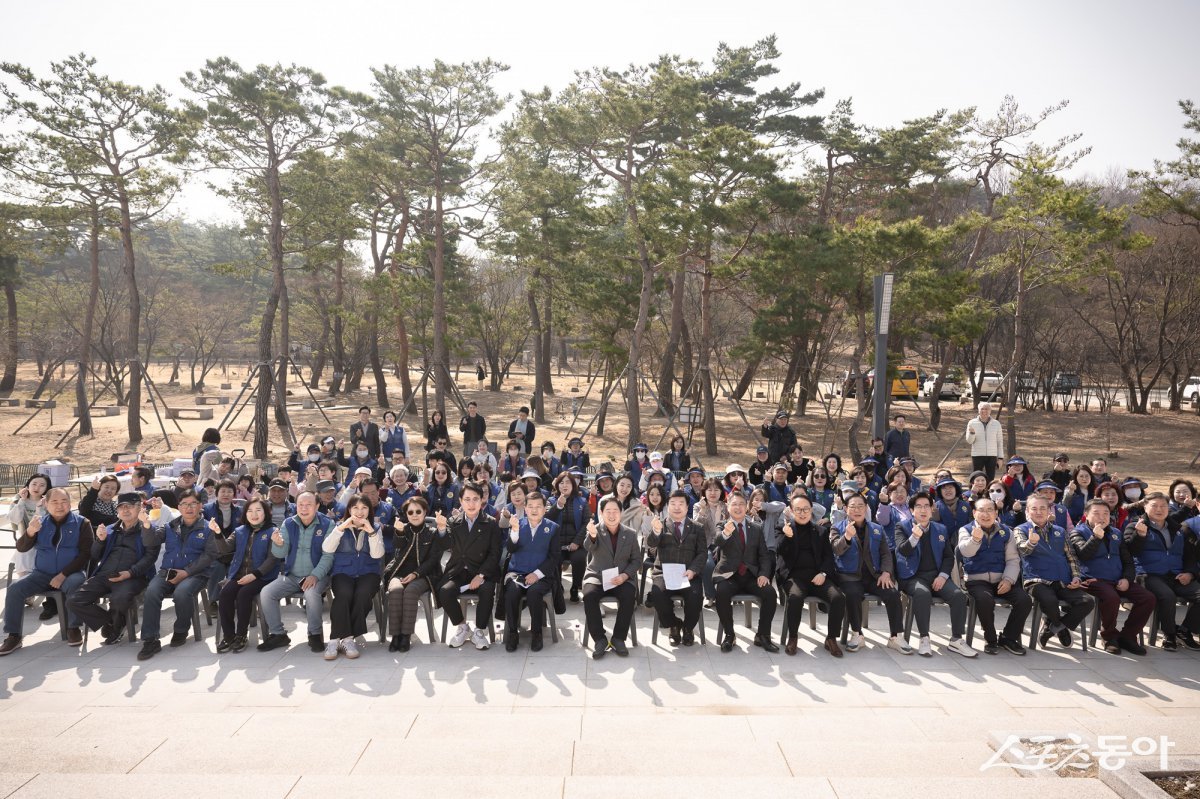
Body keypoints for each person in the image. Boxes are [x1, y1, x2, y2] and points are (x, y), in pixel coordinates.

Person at [0, 488, 93, 654]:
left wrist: (63, 574)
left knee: (75, 583)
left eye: (64, 501)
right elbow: (21, 548)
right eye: (54, 502)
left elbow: (86, 554)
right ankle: (13, 636)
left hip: (71, 572)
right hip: (41, 573)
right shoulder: (40, 522)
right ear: (46, 504)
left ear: (70, 503)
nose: (60, 505)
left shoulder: (82, 523)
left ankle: (73, 628)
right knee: (15, 589)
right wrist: (30, 532)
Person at [68, 493, 160, 646]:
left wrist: (130, 573)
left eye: (129, 507)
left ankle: (116, 628)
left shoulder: (148, 528)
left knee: (119, 597)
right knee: (74, 601)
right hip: (105, 574)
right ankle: (111, 621)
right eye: (121, 507)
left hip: (133, 576)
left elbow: (151, 558)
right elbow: (95, 555)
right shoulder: (110, 529)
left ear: (140, 508)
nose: (125, 510)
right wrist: (100, 540)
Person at [1069, 498, 1155, 655]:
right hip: (1092, 579)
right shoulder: (1078, 532)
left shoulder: (1116, 533)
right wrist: (1095, 538)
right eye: (1096, 513)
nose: (1102, 517)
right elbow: (1083, 555)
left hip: (1117, 579)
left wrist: (1127, 579)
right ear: (1086, 515)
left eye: (1106, 513)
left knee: (1148, 598)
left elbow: (1128, 561)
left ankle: (1127, 636)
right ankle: (1109, 637)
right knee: (1112, 597)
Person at [136, 489, 214, 661]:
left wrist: (187, 572)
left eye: (193, 503)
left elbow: (209, 556)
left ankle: (181, 629)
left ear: (200, 506)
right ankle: (150, 639)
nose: (189, 508)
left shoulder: (208, 528)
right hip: (168, 571)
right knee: (151, 592)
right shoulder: (171, 526)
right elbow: (151, 541)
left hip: (196, 574)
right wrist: (147, 525)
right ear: (179, 507)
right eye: (185, 504)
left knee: (181, 592)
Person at [895, 493, 975, 657]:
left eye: (926, 506)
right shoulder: (902, 526)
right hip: (912, 576)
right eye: (918, 506)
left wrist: (943, 576)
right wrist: (914, 537)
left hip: (937, 576)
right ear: (911, 510)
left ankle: (956, 640)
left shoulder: (940, 528)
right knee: (922, 594)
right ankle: (924, 637)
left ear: (932, 510)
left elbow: (948, 556)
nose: (923, 510)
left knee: (959, 596)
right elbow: (903, 550)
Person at [257, 492, 336, 654]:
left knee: (311, 594)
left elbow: (329, 556)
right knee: (266, 592)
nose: (304, 508)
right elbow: (280, 554)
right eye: (300, 505)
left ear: (317, 506)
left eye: (308, 505)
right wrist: (278, 544)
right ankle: (278, 634)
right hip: (292, 575)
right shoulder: (289, 523)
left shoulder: (328, 524)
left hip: (317, 575)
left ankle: (314, 634)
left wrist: (314, 575)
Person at [831, 494, 910, 654]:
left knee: (892, 594)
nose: (857, 509)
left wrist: (886, 572)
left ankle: (896, 636)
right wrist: (847, 536)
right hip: (850, 576)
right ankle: (857, 634)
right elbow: (836, 550)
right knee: (852, 595)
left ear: (866, 508)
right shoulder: (836, 527)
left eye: (861, 506)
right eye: (852, 506)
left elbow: (886, 554)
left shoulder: (876, 528)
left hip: (875, 576)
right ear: (846, 509)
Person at [1014, 494, 1095, 650]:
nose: (1039, 512)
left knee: (1087, 601)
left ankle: (1053, 627)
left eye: (1042, 508)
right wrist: (1031, 542)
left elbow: (1071, 556)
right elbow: (1022, 550)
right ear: (1027, 512)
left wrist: (1076, 576)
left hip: (1063, 580)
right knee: (1049, 600)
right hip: (1036, 580)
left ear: (1049, 511)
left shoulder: (1060, 530)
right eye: (1034, 509)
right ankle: (1059, 627)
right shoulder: (1021, 529)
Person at [957, 497, 1032, 655]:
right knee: (985, 600)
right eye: (981, 510)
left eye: (990, 510)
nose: (986, 514)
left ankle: (1008, 638)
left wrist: (1008, 579)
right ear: (974, 513)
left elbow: (1013, 559)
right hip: (976, 580)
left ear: (996, 512)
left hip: (1002, 578)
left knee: (1025, 600)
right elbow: (965, 551)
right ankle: (990, 639)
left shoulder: (1006, 532)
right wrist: (975, 539)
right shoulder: (966, 529)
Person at [1128, 492, 1200, 651]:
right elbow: (1129, 551)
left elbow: (1189, 556)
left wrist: (1190, 573)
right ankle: (1169, 635)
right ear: (1145, 507)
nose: (1159, 509)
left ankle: (1185, 630)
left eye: (1163, 506)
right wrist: (1140, 536)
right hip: (1148, 574)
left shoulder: (1178, 528)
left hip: (1176, 575)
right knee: (1167, 596)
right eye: (1154, 506)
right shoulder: (1136, 525)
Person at [776, 494, 845, 657]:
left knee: (838, 598)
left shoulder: (820, 531)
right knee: (795, 597)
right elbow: (780, 552)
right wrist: (788, 537)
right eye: (798, 509)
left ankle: (831, 638)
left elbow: (829, 557)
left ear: (811, 510)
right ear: (792, 511)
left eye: (805, 509)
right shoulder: (784, 528)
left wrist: (823, 573)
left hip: (818, 577)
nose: (802, 513)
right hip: (794, 578)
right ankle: (793, 637)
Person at [438, 482, 502, 650]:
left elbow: (495, 554)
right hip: (459, 570)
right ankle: (462, 627)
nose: (471, 503)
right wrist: (442, 529)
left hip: (482, 571)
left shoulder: (491, 523)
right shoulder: (453, 521)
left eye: (475, 499)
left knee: (487, 590)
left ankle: (480, 631)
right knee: (444, 591)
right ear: (460, 501)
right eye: (467, 499)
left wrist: (480, 576)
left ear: (482, 500)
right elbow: (446, 545)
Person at [712, 492, 778, 653]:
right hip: (729, 574)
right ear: (728, 507)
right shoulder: (722, 525)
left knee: (770, 593)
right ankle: (730, 635)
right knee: (721, 592)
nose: (738, 507)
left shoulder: (755, 528)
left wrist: (763, 574)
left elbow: (764, 555)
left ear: (746, 506)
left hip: (751, 575)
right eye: (734, 504)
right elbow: (717, 542)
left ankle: (763, 635)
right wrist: (726, 533)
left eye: (741, 504)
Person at [322, 495, 385, 660]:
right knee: (344, 595)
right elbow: (327, 548)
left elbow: (377, 554)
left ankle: (345, 638)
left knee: (363, 595)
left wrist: (371, 532)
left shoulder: (376, 528)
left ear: (369, 511)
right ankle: (338, 639)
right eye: (355, 508)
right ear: (349, 510)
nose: (359, 512)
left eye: (364, 508)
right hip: (343, 572)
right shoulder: (338, 527)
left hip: (368, 572)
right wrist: (341, 528)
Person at [216, 497, 279, 654]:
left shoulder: (273, 531)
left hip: (263, 576)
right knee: (225, 594)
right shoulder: (240, 531)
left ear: (266, 513)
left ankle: (241, 635)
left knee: (244, 594)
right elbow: (224, 549)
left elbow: (272, 559)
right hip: (239, 575)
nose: (254, 514)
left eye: (258, 510)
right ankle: (229, 636)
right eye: (250, 511)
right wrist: (218, 534)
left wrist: (255, 575)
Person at [582, 493, 640, 658]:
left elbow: (636, 561)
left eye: (615, 511)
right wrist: (592, 535)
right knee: (589, 595)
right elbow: (588, 546)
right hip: (597, 576)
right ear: (601, 513)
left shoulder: (629, 533)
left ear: (621, 513)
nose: (612, 514)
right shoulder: (595, 530)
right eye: (608, 511)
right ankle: (599, 639)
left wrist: (624, 576)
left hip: (621, 577)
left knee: (629, 595)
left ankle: (618, 638)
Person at [645, 490, 705, 647]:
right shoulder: (661, 525)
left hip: (688, 574)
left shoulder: (697, 528)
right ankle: (674, 625)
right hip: (664, 573)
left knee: (695, 596)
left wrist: (693, 570)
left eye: (681, 504)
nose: (677, 507)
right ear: (667, 506)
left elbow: (702, 553)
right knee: (657, 595)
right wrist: (656, 531)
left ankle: (688, 628)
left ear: (687, 507)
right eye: (673, 504)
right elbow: (651, 546)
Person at [385, 496, 444, 652]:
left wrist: (416, 574)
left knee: (410, 591)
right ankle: (395, 635)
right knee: (396, 590)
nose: (415, 515)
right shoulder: (402, 529)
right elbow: (398, 548)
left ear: (425, 512)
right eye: (410, 512)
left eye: (418, 511)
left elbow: (433, 560)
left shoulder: (433, 533)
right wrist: (398, 532)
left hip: (425, 575)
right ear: (406, 514)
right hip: (399, 573)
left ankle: (405, 635)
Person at [502, 491, 559, 652]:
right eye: (531, 506)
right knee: (512, 591)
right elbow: (511, 549)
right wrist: (514, 531)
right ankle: (513, 633)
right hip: (517, 572)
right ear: (525, 508)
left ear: (545, 508)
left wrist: (537, 574)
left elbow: (554, 557)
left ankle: (537, 633)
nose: (534, 510)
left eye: (538, 506)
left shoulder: (553, 528)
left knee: (535, 592)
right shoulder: (517, 524)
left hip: (542, 575)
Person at [547, 471, 589, 604]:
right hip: (556, 544)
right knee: (555, 560)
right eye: (561, 483)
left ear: (573, 485)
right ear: (557, 485)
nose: (564, 485)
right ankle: (557, 586)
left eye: (568, 482)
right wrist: (558, 505)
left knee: (579, 559)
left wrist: (577, 542)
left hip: (575, 544)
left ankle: (575, 587)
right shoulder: (551, 500)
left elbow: (586, 522)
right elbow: (547, 520)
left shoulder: (581, 501)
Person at [8, 473, 54, 592]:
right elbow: (14, 519)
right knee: (24, 551)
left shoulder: (49, 503)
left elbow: (44, 526)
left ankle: (26, 591)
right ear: (27, 485)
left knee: (27, 553)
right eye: (34, 484)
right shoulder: (18, 500)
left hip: (44, 541)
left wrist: (40, 508)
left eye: (42, 485)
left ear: (46, 488)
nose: (37, 488)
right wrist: (22, 501)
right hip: (26, 540)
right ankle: (26, 590)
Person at [964, 402, 1004, 481]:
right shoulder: (972, 423)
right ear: (979, 410)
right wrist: (972, 433)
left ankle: (988, 493)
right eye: (982, 409)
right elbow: (969, 441)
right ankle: (974, 492)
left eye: (987, 409)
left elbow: (1000, 441)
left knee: (990, 478)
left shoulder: (996, 424)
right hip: (977, 455)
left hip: (992, 456)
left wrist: (1000, 458)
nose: (984, 411)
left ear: (990, 411)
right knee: (976, 478)